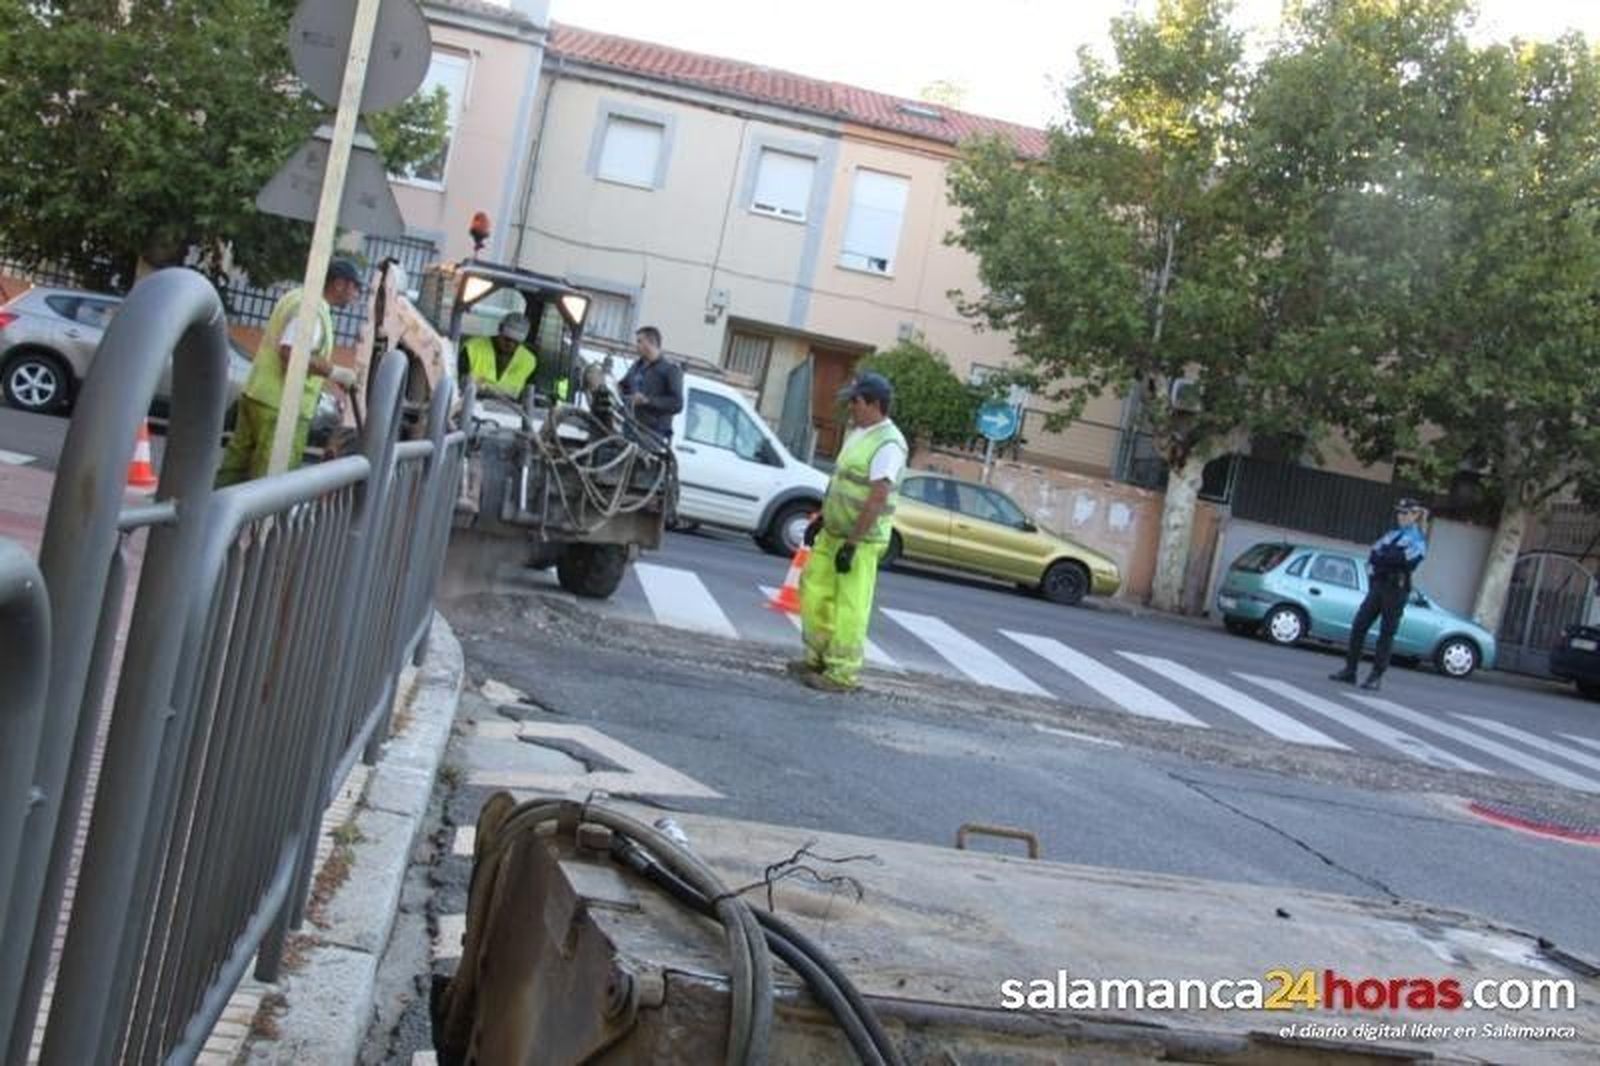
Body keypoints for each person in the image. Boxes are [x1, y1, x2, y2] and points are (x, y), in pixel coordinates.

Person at [790, 372, 908, 693]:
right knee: (814, 592)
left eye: (855, 402)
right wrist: (821, 519)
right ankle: (817, 658)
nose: (850, 408)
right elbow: (840, 484)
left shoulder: (888, 443)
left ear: (874, 404)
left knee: (850, 606)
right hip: (834, 531)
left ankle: (841, 674)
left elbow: (877, 497)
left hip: (861, 540)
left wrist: (853, 544)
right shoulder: (858, 434)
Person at [218, 259, 362, 486]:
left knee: (234, 472)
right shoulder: (314, 309)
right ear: (339, 284)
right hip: (281, 408)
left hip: (256, 396)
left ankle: (212, 519)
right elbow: (291, 352)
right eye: (355, 287)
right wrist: (335, 372)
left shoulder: (296, 296)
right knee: (270, 483)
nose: (356, 295)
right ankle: (260, 522)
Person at [1330, 498, 1430, 691]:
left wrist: (1386, 558)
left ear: (1416, 515)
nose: (1400, 516)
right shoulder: (1393, 534)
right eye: (1399, 513)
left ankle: (1376, 676)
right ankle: (1350, 670)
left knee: (1386, 633)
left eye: (1405, 513)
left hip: (1396, 589)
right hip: (1379, 585)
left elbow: (1407, 562)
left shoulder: (1418, 540)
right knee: (1359, 625)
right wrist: (1387, 558)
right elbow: (1374, 553)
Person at [619, 326, 683, 441]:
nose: (636, 346)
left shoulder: (670, 370)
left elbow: (677, 403)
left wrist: (647, 400)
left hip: (652, 434)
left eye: (639, 341)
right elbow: (624, 386)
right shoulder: (636, 366)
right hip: (630, 428)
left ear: (652, 343)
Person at [461, 312, 537, 400]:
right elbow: (458, 383)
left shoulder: (529, 361)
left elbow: (529, 395)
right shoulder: (473, 347)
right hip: (471, 404)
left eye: (516, 342)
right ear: (499, 329)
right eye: (507, 339)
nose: (510, 345)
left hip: (510, 410)